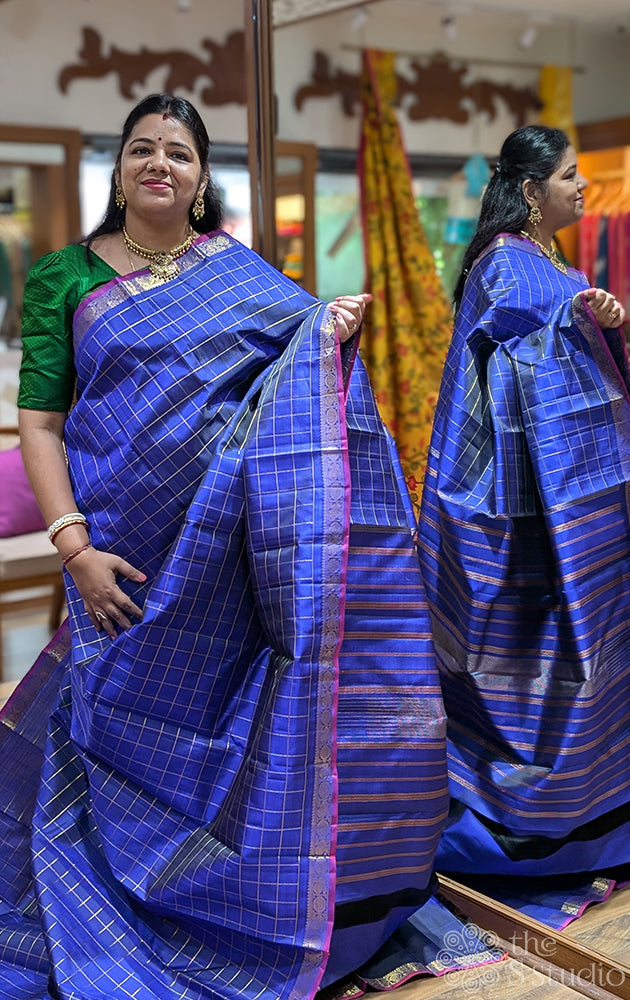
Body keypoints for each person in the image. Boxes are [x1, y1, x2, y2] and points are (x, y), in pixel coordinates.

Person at [0, 93, 459, 1000]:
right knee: (105, 728)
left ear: (203, 179)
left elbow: (299, 364)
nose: (158, 162)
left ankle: (235, 901)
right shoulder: (64, 278)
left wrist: (333, 332)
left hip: (221, 553)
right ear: (120, 171)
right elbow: (42, 425)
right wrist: (74, 547)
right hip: (119, 554)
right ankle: (107, 896)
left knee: (223, 725)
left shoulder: (239, 273)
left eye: (177, 151)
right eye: (141, 149)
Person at [418, 123, 630, 921]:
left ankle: (596, 805)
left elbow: (576, 347)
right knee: (535, 652)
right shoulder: (507, 263)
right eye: (571, 176)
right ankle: (535, 821)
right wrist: (579, 319)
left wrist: (602, 321)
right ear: (532, 190)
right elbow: (511, 363)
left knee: (596, 652)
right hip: (526, 505)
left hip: (575, 497)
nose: (584, 187)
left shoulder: (552, 264)